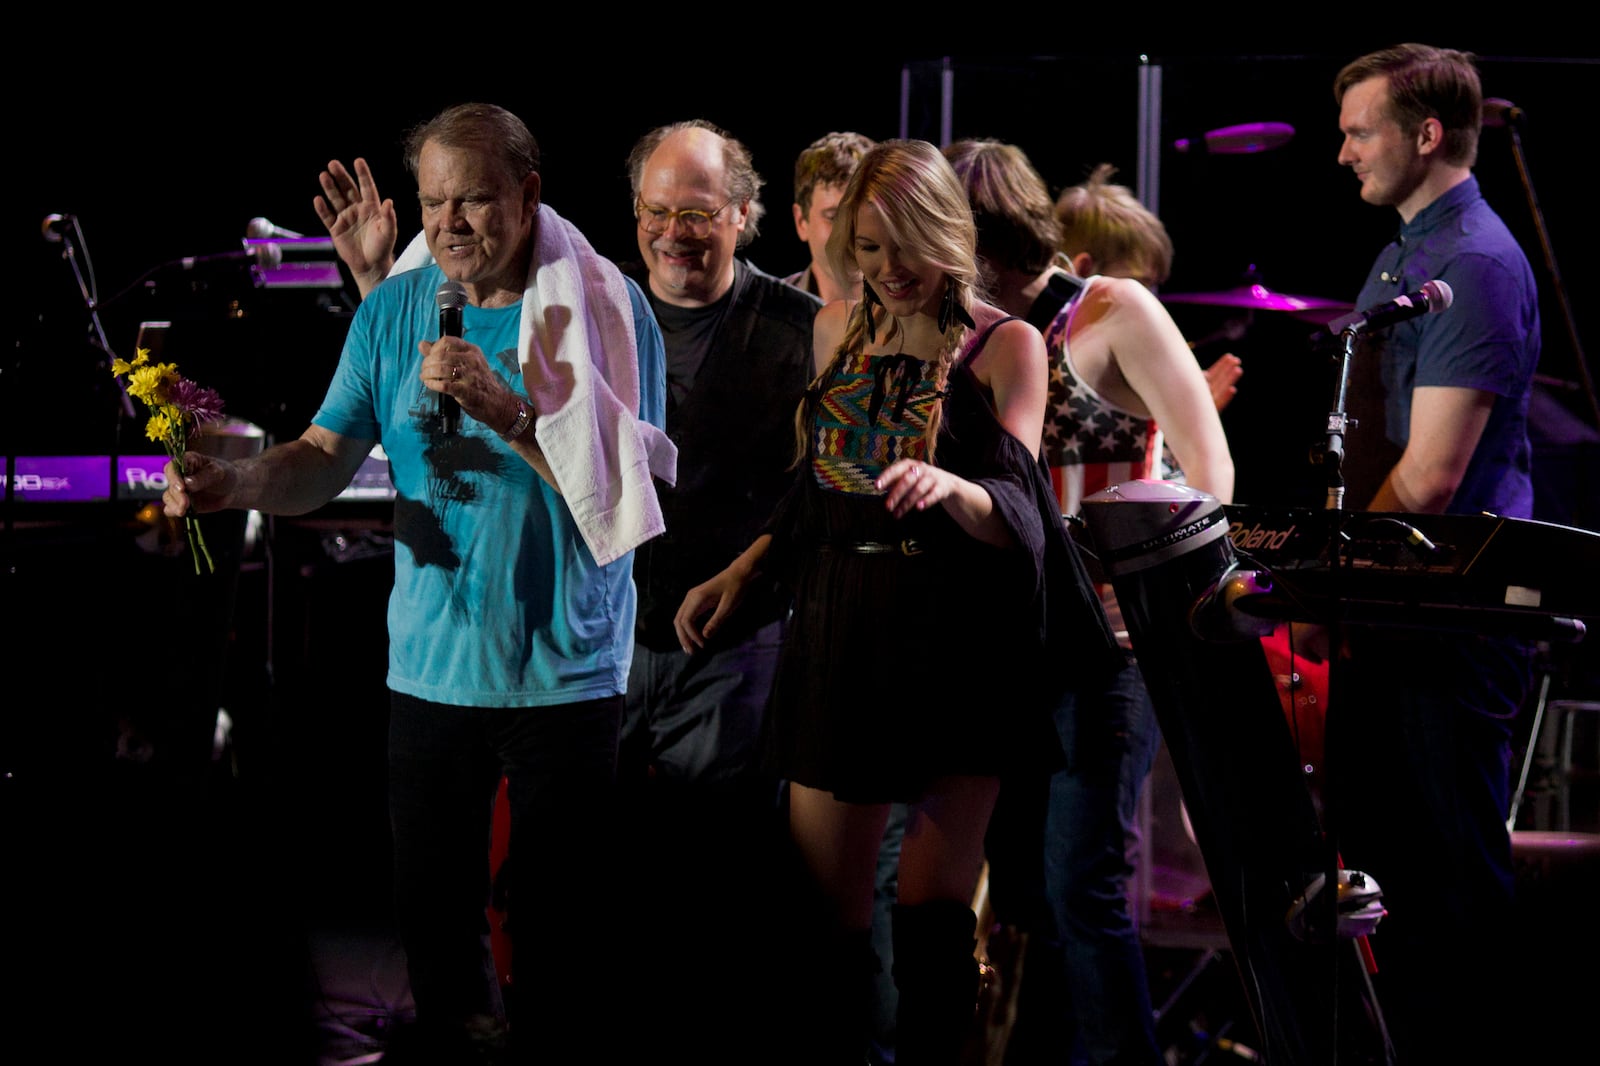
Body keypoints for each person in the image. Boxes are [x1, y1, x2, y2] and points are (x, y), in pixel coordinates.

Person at [164, 102, 674, 1065]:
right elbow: (321, 455)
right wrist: (234, 482)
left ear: (528, 197)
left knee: (561, 941)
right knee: (437, 934)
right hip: (430, 675)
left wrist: (509, 411)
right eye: (435, 203)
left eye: (475, 200)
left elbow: (618, 494)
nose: (449, 226)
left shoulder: (607, 308)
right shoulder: (393, 309)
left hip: (564, 677)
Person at [675, 137, 1120, 1066]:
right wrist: (744, 570)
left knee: (931, 925)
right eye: (867, 249)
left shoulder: (1007, 345)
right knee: (824, 927)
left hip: (959, 638)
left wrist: (951, 489)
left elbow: (1023, 520)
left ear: (945, 234)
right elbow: (814, 493)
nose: (886, 270)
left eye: (902, 246)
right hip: (843, 623)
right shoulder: (838, 329)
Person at [945, 138, 1235, 1066]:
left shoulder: (1109, 312)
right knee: (1024, 890)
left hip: (1110, 645)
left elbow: (1210, 469)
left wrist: (1145, 590)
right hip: (1007, 644)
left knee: (1083, 884)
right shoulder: (970, 330)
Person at [1326, 43, 1540, 1064]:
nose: (1340, 152)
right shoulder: (1408, 248)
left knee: (1448, 875)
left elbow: (1430, 478)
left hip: (1451, 616)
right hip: (1398, 607)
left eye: (1358, 130)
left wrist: (1331, 569)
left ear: (1423, 134)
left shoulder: (1477, 263)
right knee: (1386, 865)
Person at [616, 119, 822, 1057]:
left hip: (736, 645)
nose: (674, 233)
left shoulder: (801, 328)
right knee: (598, 873)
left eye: (696, 213)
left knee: (717, 873)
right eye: (656, 211)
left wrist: (753, 574)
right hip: (603, 639)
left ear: (744, 216)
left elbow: (826, 486)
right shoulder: (597, 316)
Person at [784, 131, 877, 303]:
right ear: (801, 222)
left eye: (864, 215)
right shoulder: (768, 315)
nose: (852, 233)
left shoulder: (918, 317)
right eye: (834, 218)